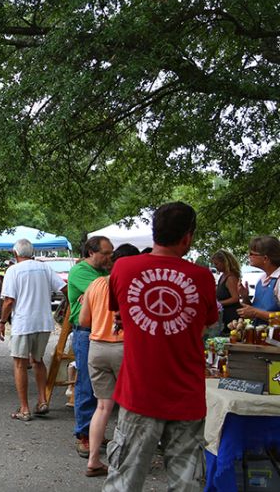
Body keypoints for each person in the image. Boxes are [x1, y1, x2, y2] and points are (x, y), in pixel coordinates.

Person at [102, 202, 218, 491]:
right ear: (187, 237)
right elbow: (207, 324)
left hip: (139, 392)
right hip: (187, 395)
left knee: (123, 481)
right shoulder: (202, 277)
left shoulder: (123, 268)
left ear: (154, 232)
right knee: (186, 483)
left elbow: (118, 313)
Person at [78, 243, 140, 478]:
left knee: (102, 407)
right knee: (129, 406)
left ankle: (94, 460)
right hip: (124, 348)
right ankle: (125, 460)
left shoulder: (96, 284)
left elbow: (83, 321)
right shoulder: (133, 285)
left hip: (97, 347)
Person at [0, 239, 66, 421]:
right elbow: (65, 288)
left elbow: (9, 301)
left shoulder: (13, 270)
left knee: (20, 364)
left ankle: (25, 408)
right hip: (43, 322)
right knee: (38, 360)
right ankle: (42, 400)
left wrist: (2, 321)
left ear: (15, 254)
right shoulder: (44, 268)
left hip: (23, 323)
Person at [67, 235, 114, 457]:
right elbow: (109, 295)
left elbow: (105, 296)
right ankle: (84, 435)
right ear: (91, 252)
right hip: (86, 333)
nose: (109, 257)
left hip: (104, 331)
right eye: (105, 253)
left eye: (111, 252)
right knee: (86, 384)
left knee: (103, 388)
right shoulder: (80, 272)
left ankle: (96, 432)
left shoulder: (105, 272)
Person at [237, 235, 280, 322]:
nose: (249, 256)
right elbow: (256, 314)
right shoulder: (261, 279)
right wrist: (245, 297)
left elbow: (257, 313)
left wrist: (255, 312)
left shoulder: (278, 280)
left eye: (252, 254)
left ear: (265, 258)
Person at [211, 249, 241, 334]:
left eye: (217, 264)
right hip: (224, 314)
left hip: (232, 315)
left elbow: (235, 298)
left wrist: (218, 304)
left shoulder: (230, 277)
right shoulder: (222, 276)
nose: (215, 266)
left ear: (225, 262)